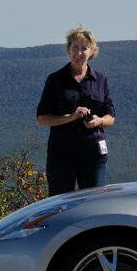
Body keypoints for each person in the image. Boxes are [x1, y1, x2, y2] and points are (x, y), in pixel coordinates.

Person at [36, 26, 116, 196]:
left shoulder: (100, 80)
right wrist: (71, 117)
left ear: (92, 52)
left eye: (84, 48)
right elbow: (42, 118)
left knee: (95, 203)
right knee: (59, 205)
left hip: (93, 154)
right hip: (62, 155)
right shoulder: (55, 80)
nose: (79, 53)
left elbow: (111, 117)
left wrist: (98, 121)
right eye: (75, 48)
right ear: (68, 49)